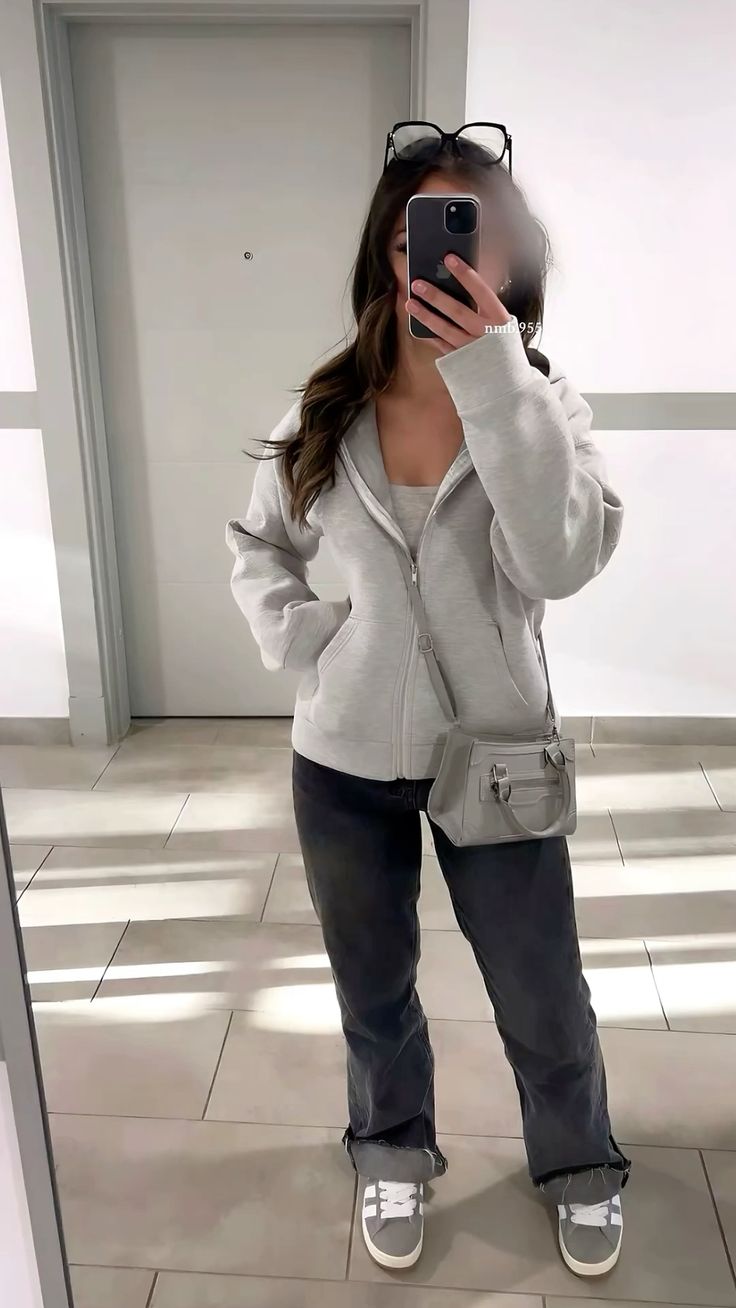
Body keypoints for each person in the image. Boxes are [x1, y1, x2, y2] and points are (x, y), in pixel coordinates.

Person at [226, 122, 629, 1278]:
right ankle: (391, 1149)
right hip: (343, 761)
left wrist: (495, 384)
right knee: (373, 988)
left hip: (498, 755)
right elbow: (257, 544)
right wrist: (311, 641)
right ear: (386, 255)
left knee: (540, 991)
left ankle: (579, 1164)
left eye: (470, 234)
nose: (443, 259)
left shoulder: (546, 407)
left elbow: (557, 561)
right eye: (419, 238)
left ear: (507, 256)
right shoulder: (326, 408)